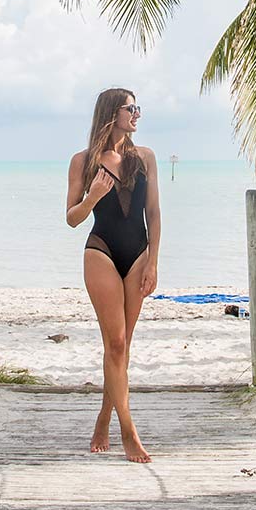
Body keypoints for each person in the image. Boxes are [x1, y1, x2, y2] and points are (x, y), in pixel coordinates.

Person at [65, 88, 160, 463]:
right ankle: (128, 431)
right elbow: (72, 217)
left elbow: (153, 212)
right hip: (100, 251)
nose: (137, 114)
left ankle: (104, 416)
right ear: (112, 112)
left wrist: (153, 260)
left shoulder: (145, 158)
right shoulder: (83, 161)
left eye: (138, 107)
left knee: (121, 347)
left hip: (138, 254)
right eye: (130, 108)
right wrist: (91, 197)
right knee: (116, 344)